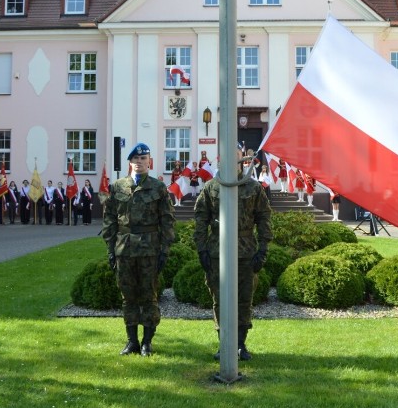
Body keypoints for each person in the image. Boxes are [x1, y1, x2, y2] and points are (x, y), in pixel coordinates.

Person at [194, 146, 272, 361]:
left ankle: (240, 344)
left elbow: (264, 218)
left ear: (242, 161)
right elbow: (200, 220)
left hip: (246, 252)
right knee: (220, 299)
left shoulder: (253, 188)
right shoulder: (211, 187)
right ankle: (224, 344)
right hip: (217, 250)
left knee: (244, 299)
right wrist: (201, 249)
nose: (231, 161)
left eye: (236, 157)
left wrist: (263, 250)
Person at [102, 142, 175, 357]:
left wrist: (164, 250)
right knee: (128, 297)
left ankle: (147, 342)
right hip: (124, 249)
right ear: (130, 162)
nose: (139, 162)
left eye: (143, 159)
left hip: (149, 250)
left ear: (149, 162)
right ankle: (132, 341)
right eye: (135, 159)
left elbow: (167, 221)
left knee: (149, 296)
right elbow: (110, 220)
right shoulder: (117, 187)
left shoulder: (158, 188)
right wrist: (110, 248)